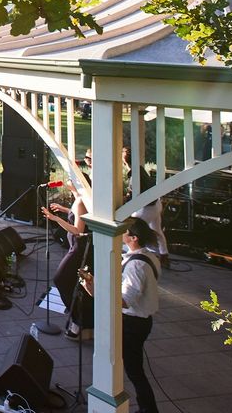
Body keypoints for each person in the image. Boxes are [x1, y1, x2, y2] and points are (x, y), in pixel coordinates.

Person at [79, 217, 161, 413]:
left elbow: (125, 301)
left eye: (124, 232)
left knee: (133, 370)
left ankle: (148, 409)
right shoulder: (149, 257)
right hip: (139, 321)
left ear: (133, 238)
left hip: (133, 323)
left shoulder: (136, 266)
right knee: (133, 368)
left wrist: (96, 292)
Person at [42, 177, 92, 339]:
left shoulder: (80, 202)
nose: (67, 181)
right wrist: (64, 210)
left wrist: (55, 218)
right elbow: (79, 216)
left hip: (78, 249)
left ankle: (77, 319)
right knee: (76, 283)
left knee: (61, 279)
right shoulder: (81, 200)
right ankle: (79, 316)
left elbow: (77, 229)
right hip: (77, 247)